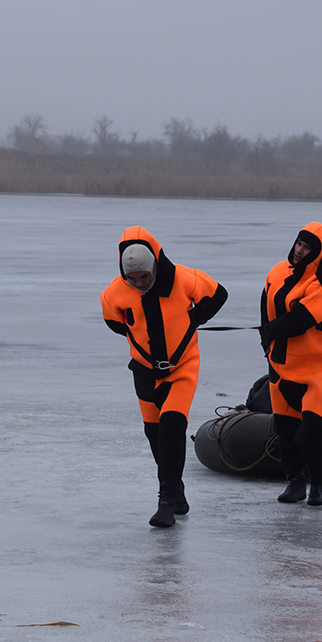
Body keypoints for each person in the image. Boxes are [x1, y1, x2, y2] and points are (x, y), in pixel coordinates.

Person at [101, 226, 227, 527]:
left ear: (155, 266)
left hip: (182, 367)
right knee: (154, 434)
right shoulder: (113, 293)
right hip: (144, 371)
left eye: (144, 277)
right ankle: (177, 491)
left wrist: (196, 318)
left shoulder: (185, 279)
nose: (139, 283)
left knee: (172, 425)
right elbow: (115, 322)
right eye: (132, 279)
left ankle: (166, 501)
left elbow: (218, 294)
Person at [259, 222, 322, 506]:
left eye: (306, 247)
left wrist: (271, 330)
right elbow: (265, 302)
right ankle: (295, 482)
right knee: (285, 429)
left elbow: (300, 321)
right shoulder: (277, 272)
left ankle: (318, 484)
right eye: (298, 243)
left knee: (310, 430)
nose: (299, 250)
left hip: (315, 369)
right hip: (281, 364)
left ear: (316, 252)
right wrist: (265, 339)